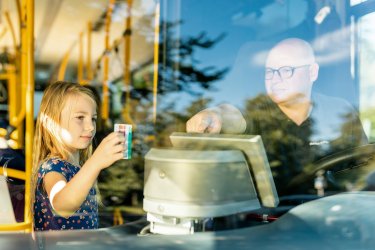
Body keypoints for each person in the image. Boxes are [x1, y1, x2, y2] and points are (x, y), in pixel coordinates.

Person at [186, 38, 368, 195]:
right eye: (270, 71)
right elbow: (233, 116)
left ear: (312, 72)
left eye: (287, 70)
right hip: (269, 223)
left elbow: (364, 169)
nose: (276, 79)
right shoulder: (257, 113)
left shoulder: (340, 110)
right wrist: (215, 115)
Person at [31, 81, 126, 231]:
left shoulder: (79, 167)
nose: (90, 126)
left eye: (93, 118)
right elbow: (62, 205)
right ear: (50, 123)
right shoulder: (52, 166)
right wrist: (96, 162)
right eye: (80, 117)